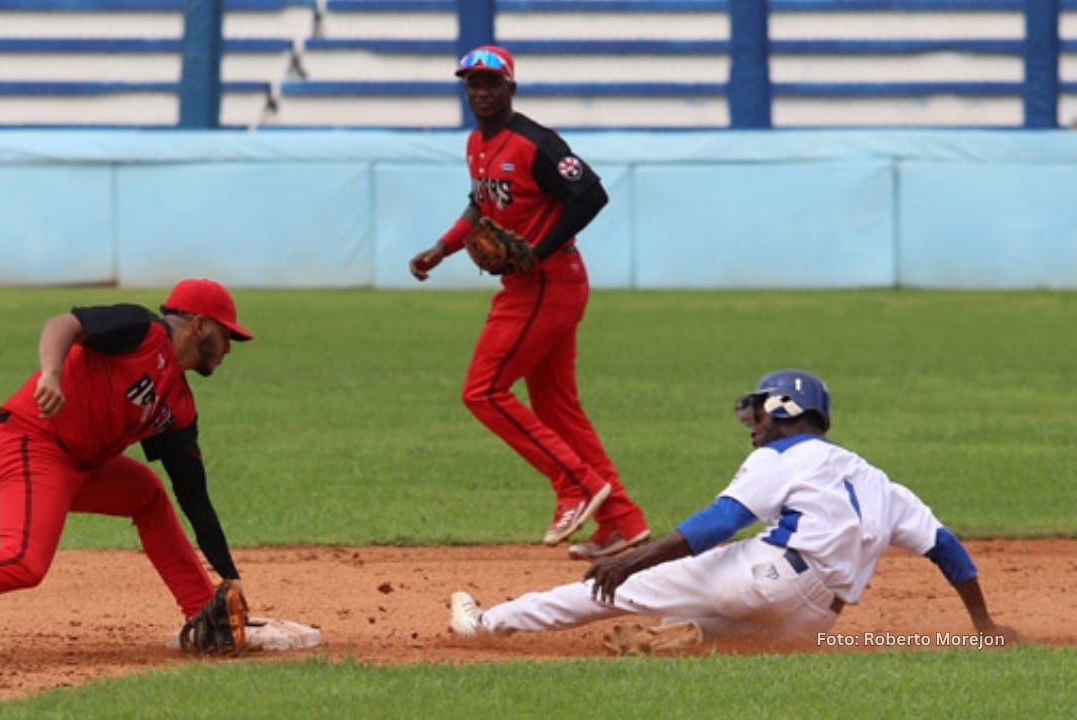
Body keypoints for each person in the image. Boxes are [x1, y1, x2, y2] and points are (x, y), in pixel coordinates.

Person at [448, 369, 1021, 653]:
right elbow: (947, 549)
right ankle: (691, 636)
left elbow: (722, 522)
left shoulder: (783, 455)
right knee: (740, 636)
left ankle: (486, 624)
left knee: (612, 590)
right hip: (815, 623)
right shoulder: (877, 480)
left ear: (782, 411)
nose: (755, 427)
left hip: (766, 577)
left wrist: (634, 561)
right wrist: (982, 627)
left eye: (761, 415)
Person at [0, 278, 254, 667]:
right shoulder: (142, 330)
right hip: (30, 443)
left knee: (147, 493)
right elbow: (63, 324)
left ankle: (204, 615)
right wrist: (52, 374)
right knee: (24, 561)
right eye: (226, 336)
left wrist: (229, 582)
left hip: (78, 466)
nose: (228, 348)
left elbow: (193, 496)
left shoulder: (178, 406)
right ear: (199, 324)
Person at [408, 45, 651, 559]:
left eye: (490, 83)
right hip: (539, 286)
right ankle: (623, 523)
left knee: (484, 391)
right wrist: (443, 247)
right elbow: (481, 203)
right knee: (557, 409)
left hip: (545, 284)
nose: (480, 91)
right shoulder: (477, 142)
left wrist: (539, 251)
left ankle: (575, 485)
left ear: (510, 87)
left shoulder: (536, 143)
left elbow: (591, 195)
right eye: (471, 82)